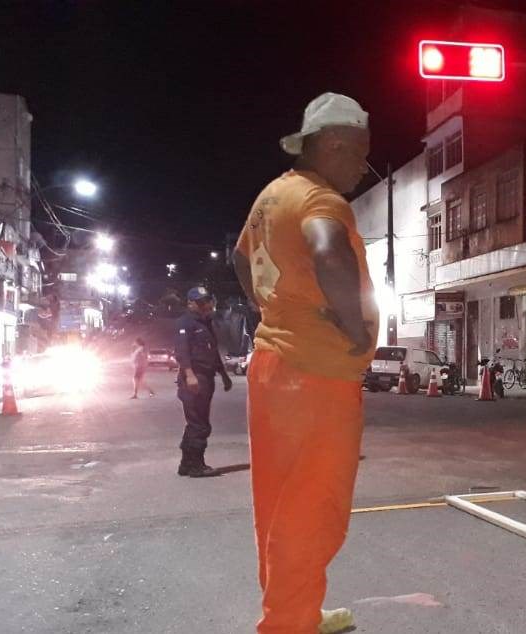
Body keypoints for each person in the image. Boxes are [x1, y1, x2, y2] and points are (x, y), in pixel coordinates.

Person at [233, 92, 378, 634]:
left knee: (278, 504)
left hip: (274, 367)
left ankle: (291, 612)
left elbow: (240, 259)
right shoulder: (322, 201)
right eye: (360, 153)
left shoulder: (272, 196)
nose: (363, 168)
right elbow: (327, 249)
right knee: (314, 508)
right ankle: (289, 625)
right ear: (335, 144)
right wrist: (352, 326)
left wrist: (274, 308)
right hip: (317, 377)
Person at [174, 287, 232, 478]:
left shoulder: (205, 322)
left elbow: (213, 352)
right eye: (200, 302)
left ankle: (186, 464)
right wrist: (190, 375)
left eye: (206, 301)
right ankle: (196, 465)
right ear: (190, 303)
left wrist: (224, 375)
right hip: (195, 378)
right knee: (199, 424)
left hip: (206, 377)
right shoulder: (186, 323)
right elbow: (182, 351)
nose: (205, 305)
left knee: (195, 422)